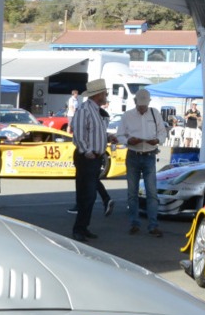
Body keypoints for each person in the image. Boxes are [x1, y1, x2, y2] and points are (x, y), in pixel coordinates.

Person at [116, 88, 167, 237]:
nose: (143, 108)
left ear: (149, 103)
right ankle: (134, 223)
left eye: (145, 105)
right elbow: (119, 135)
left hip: (149, 154)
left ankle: (153, 225)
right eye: (140, 106)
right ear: (135, 102)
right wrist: (127, 140)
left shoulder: (155, 113)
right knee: (132, 193)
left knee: (152, 193)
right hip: (133, 154)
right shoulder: (127, 115)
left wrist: (157, 140)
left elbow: (162, 133)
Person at [69, 78, 111, 242]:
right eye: (105, 93)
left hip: (94, 156)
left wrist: (108, 138)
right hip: (87, 157)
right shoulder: (85, 110)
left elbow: (92, 134)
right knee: (86, 195)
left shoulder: (95, 111)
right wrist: (87, 152)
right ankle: (79, 228)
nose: (106, 95)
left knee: (88, 195)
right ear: (98, 95)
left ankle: (83, 227)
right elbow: (78, 135)